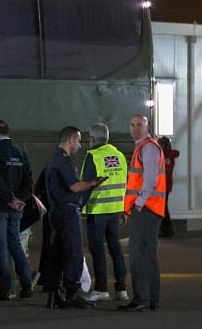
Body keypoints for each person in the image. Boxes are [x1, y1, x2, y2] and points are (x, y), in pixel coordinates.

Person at [44, 126, 106, 309]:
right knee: (73, 252)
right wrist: (93, 183)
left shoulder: (52, 159)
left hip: (56, 211)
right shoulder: (64, 161)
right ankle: (72, 292)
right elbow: (74, 187)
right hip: (67, 211)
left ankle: (55, 294)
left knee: (57, 253)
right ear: (71, 140)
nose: (79, 145)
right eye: (78, 141)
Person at [0, 118, 34, 300]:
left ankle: (5, 288)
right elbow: (28, 179)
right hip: (16, 208)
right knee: (15, 243)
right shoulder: (20, 151)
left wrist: (9, 199)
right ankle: (27, 284)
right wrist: (20, 199)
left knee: (0, 247)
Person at [119, 115, 166, 312]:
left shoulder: (147, 147)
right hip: (149, 208)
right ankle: (150, 298)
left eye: (140, 125)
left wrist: (138, 203)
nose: (135, 128)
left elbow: (150, 179)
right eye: (132, 125)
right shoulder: (146, 147)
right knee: (148, 254)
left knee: (139, 254)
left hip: (146, 208)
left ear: (147, 127)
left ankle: (141, 298)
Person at [80, 123, 129, 302]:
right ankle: (121, 289)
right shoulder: (119, 155)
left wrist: (79, 207)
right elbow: (125, 183)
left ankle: (101, 288)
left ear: (92, 139)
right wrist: (124, 209)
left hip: (97, 210)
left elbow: (86, 185)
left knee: (97, 249)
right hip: (115, 209)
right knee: (115, 248)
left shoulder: (93, 156)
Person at [158, 136, 179, 238]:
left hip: (162, 186)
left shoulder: (162, 157)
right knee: (163, 207)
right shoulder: (170, 156)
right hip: (166, 185)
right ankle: (166, 229)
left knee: (162, 208)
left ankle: (167, 229)